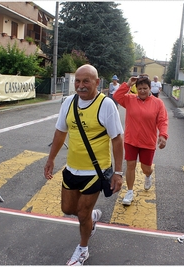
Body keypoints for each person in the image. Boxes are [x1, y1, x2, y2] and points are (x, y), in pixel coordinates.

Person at [44, 64, 124, 265]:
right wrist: (51, 158)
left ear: (97, 82)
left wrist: (118, 172)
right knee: (68, 209)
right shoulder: (68, 102)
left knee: (81, 213)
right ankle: (91, 218)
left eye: (86, 81)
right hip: (71, 168)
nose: (80, 86)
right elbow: (60, 132)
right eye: (77, 81)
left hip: (96, 172)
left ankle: (83, 249)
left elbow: (117, 140)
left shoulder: (106, 105)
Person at [113, 74, 168, 206]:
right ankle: (130, 192)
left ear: (150, 88)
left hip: (148, 141)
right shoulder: (130, 99)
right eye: (140, 88)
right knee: (130, 166)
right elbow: (117, 96)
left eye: (145, 88)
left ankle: (148, 175)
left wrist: (163, 135)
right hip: (131, 140)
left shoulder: (158, 103)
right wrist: (128, 84)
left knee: (145, 168)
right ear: (136, 89)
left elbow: (163, 121)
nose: (142, 91)